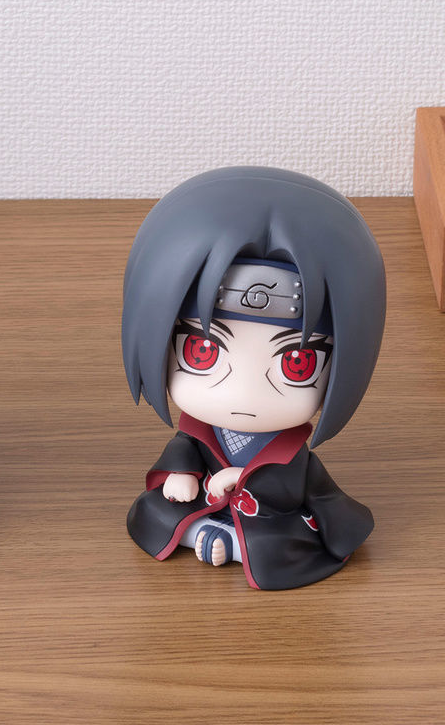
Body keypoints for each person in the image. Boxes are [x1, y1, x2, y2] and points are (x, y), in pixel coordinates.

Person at [122, 167, 385, 589]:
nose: (244, 393)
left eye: (296, 364)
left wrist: (239, 479)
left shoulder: (289, 453)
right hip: (206, 500)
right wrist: (182, 473)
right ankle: (212, 535)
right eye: (202, 351)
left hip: (268, 515)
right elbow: (185, 449)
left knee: (276, 543)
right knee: (158, 515)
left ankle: (230, 542)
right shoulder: (200, 429)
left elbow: (288, 488)